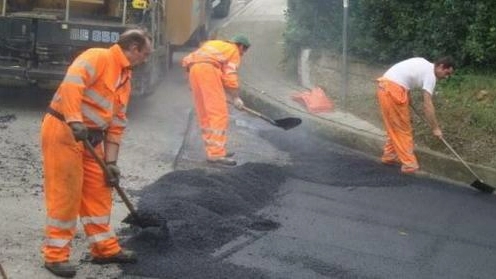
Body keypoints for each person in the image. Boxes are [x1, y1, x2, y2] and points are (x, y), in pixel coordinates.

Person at [40, 29, 152, 278]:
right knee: (66, 193)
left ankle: (105, 248)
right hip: (63, 131)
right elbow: (72, 83)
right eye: (145, 53)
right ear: (133, 48)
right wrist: (73, 119)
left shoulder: (125, 76)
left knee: (99, 191)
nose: (146, 59)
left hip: (92, 138)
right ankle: (55, 256)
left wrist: (111, 162)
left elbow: (117, 121)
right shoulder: (98, 57)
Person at [376, 56, 454, 174]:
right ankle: (409, 164)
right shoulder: (431, 76)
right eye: (446, 73)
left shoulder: (424, 62)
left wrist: (408, 96)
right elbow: (427, 105)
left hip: (386, 87)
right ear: (441, 66)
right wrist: (435, 128)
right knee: (403, 129)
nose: (446, 77)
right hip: (393, 91)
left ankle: (389, 156)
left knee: (396, 127)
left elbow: (406, 76)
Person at [182, 34, 251, 166]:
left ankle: (213, 150)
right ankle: (216, 154)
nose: (242, 54)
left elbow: (189, 60)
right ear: (241, 46)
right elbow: (230, 76)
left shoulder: (215, 44)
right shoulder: (234, 50)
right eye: (244, 50)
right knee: (218, 113)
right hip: (208, 71)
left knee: (205, 113)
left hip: (194, 71)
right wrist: (236, 97)